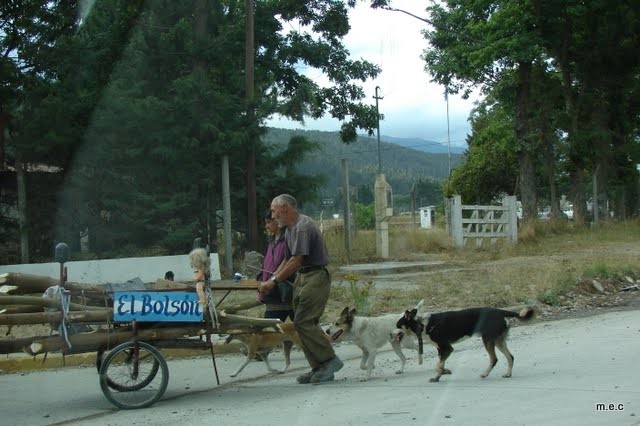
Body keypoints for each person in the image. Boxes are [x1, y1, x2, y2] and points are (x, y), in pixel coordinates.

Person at [259, 194, 343, 384]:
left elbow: (297, 260)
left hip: (315, 276)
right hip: (303, 278)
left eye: (274, 211)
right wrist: (272, 278)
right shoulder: (289, 230)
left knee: (304, 321)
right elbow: (286, 260)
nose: (272, 216)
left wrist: (272, 282)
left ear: (285, 208)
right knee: (300, 323)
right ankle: (319, 368)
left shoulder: (303, 227)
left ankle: (330, 360)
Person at [258, 208, 294, 322]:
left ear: (277, 221)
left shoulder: (289, 239)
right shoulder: (271, 241)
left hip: (286, 290)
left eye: (269, 222)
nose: (266, 226)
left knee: (303, 328)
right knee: (270, 330)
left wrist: (275, 278)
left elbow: (289, 262)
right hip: (272, 293)